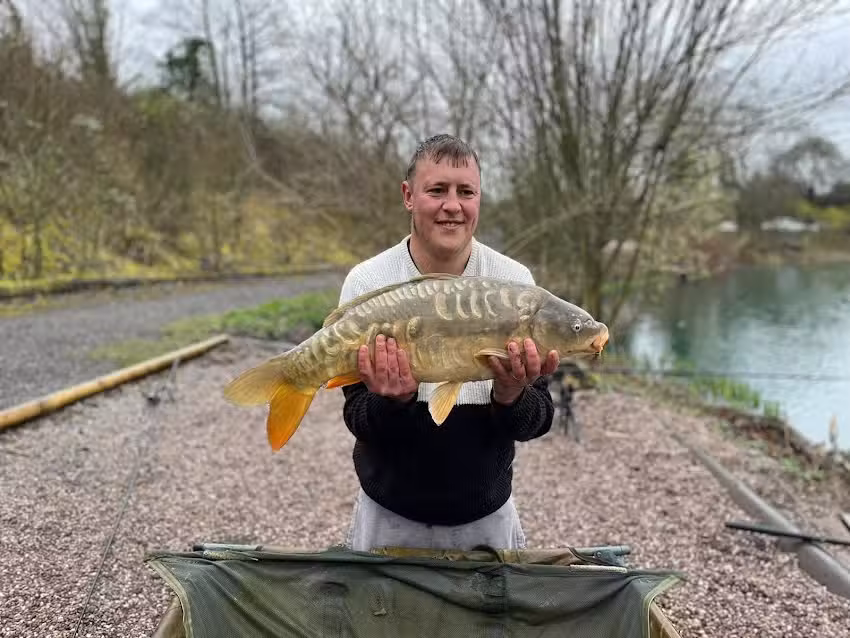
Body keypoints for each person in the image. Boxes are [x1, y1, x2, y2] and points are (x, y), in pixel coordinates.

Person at [338, 133, 558, 553]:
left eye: (466, 192)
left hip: (487, 518)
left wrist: (511, 394)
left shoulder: (516, 284)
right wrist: (394, 402)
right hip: (387, 515)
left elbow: (537, 421)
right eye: (437, 190)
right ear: (408, 195)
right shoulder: (368, 282)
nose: (452, 206)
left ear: (479, 199)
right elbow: (358, 417)